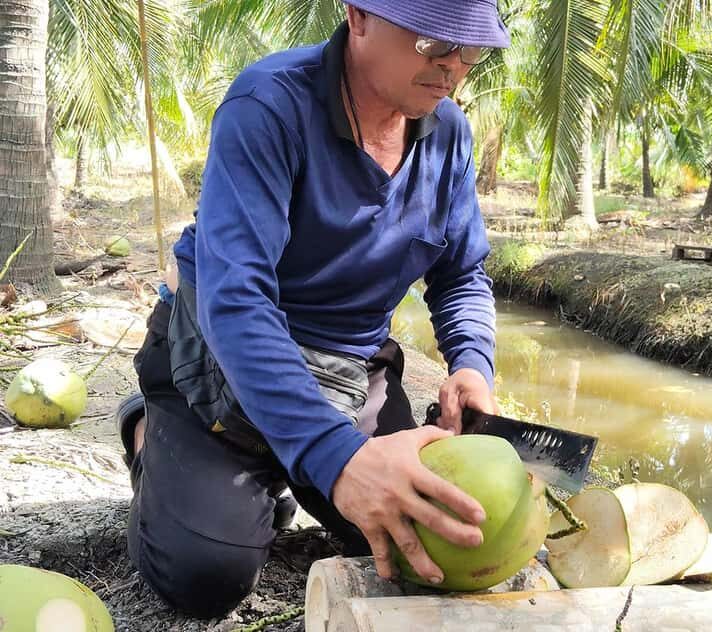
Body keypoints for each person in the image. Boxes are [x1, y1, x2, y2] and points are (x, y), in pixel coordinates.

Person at [116, 0, 509, 619]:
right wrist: (339, 459)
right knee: (204, 574)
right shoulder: (268, 107)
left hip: (351, 365)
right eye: (434, 43)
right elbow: (238, 301)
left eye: (474, 50)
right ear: (357, 17)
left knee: (424, 540)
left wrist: (471, 365)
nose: (454, 67)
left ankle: (288, 455)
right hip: (226, 359)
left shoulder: (446, 133)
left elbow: (460, 274)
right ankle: (151, 429)